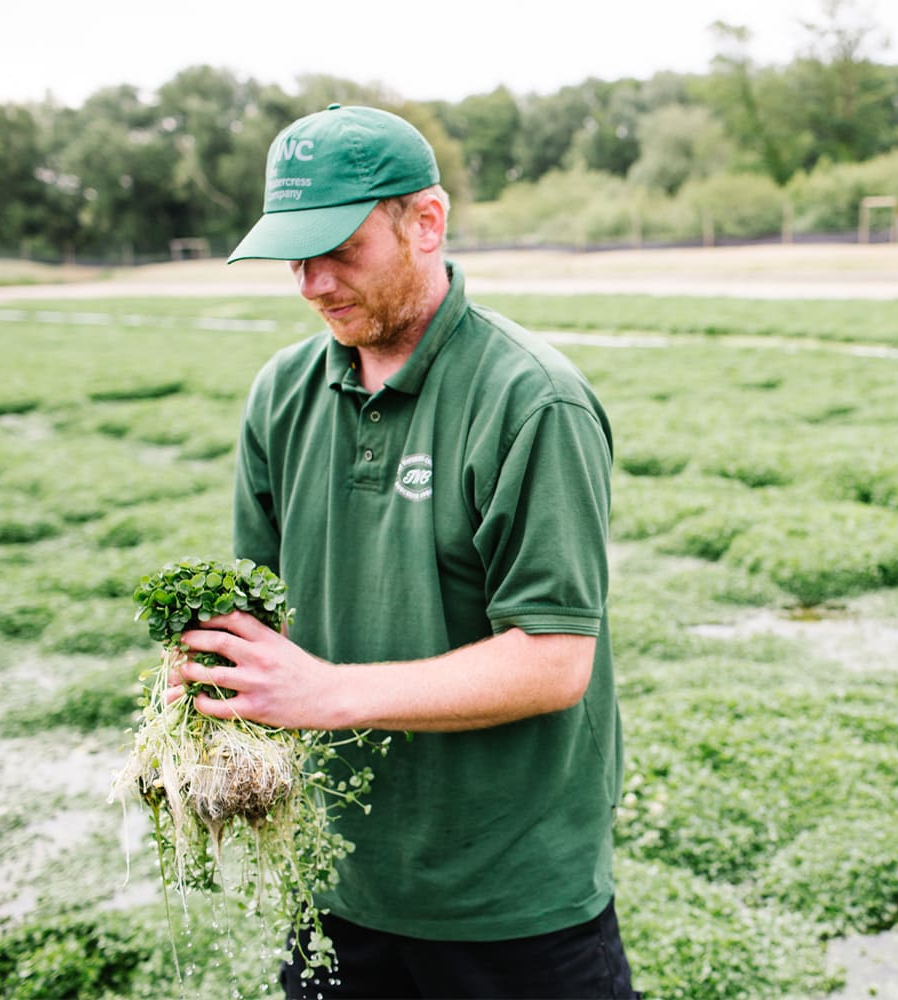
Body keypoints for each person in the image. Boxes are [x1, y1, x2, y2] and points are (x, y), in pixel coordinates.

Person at [173, 103, 636, 999]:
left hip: (509, 895)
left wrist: (326, 692)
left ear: (425, 222)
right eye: (294, 256)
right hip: (337, 873)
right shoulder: (282, 393)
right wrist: (207, 674)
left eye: (340, 250)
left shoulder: (532, 399)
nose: (311, 283)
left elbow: (554, 661)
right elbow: (259, 609)